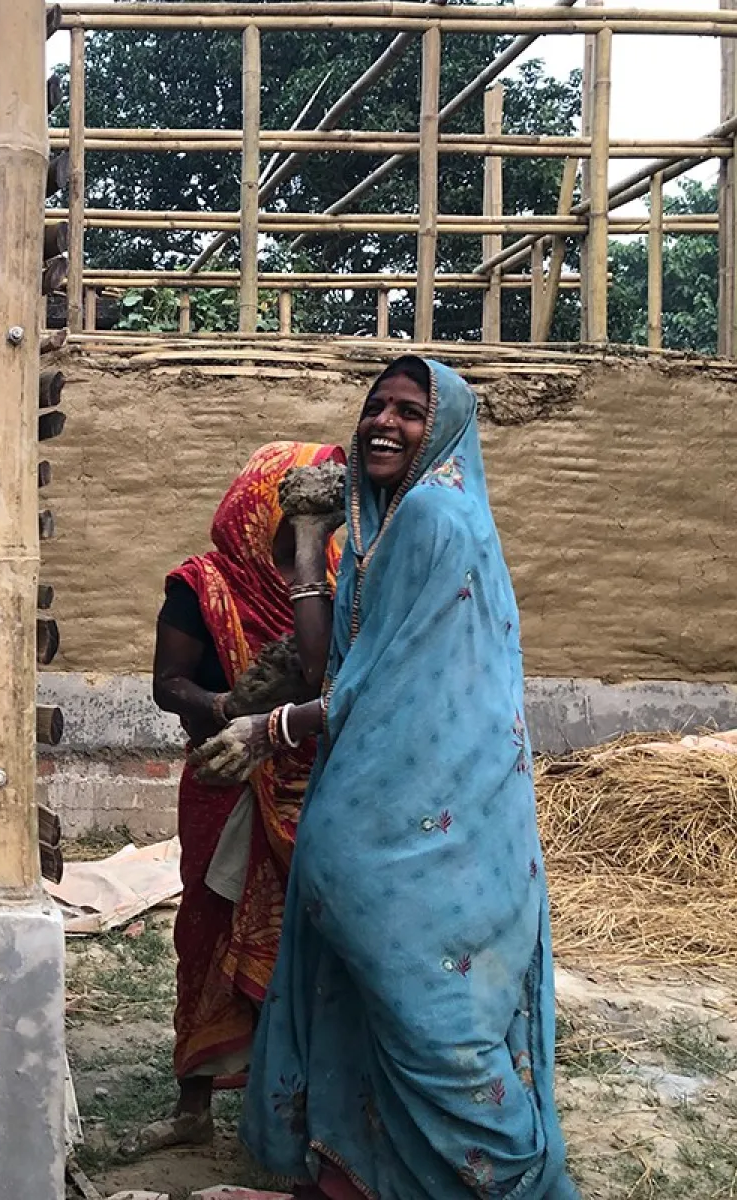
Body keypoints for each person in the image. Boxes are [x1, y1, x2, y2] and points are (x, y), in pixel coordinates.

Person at [194, 357, 577, 1199]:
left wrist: (275, 727)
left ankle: (507, 1182)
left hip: (434, 841)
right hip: (385, 824)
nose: (385, 423)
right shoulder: (389, 527)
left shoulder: (436, 520)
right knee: (371, 1014)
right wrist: (307, 548)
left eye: (410, 411)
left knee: (440, 1032)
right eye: (376, 406)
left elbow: (385, 683)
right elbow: (339, 661)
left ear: (442, 430)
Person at [131, 441, 344, 1156]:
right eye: (295, 513)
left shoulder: (334, 575)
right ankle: (194, 1105)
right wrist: (226, 707)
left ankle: (301, 1108)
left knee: (304, 943)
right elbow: (168, 685)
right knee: (209, 930)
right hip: (228, 781)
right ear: (258, 508)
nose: (311, 526)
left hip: (313, 780)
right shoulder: (204, 586)